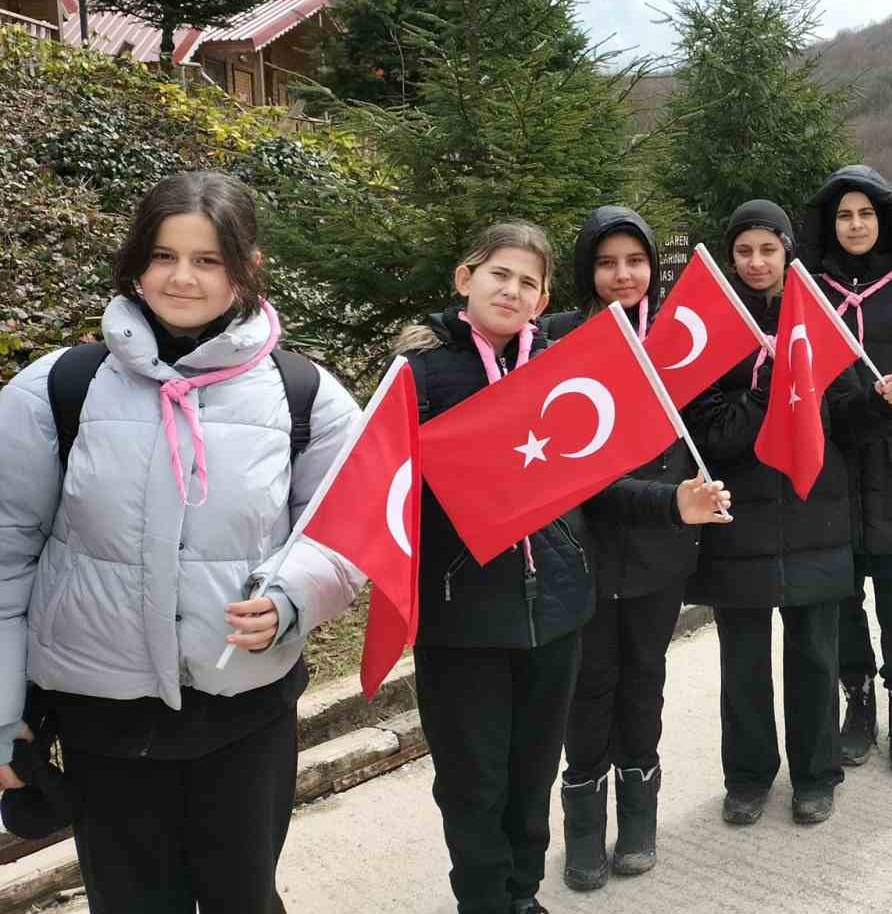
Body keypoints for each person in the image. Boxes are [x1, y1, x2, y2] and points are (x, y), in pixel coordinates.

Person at [0, 171, 365, 914]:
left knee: (244, 899)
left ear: (247, 266)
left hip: (245, 715)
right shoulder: (58, 389)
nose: (182, 277)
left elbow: (346, 533)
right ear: (137, 259)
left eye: (207, 259)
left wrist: (295, 598)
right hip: (105, 722)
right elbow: (6, 556)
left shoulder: (306, 396)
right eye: (164, 255)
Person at [397, 222, 729, 914]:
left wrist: (674, 504)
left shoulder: (556, 364)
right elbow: (387, 496)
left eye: (527, 282)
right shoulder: (420, 375)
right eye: (499, 275)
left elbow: (593, 482)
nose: (511, 291)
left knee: (530, 775)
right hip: (464, 618)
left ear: (544, 296)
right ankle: (484, 901)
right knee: (474, 783)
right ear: (466, 278)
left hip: (554, 608)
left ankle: (523, 895)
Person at [684, 201, 892, 829]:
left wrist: (880, 406)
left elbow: (841, 421)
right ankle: (749, 776)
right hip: (740, 523)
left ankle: (816, 773)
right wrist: (767, 389)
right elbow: (710, 430)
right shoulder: (713, 329)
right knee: (744, 666)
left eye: (769, 250)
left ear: (787, 253)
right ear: (732, 257)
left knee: (815, 656)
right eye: (745, 251)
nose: (757, 263)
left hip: (814, 513)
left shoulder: (817, 318)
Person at [544, 207, 704, 892]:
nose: (622, 275)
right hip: (584, 549)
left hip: (659, 545)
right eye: (607, 263)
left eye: (634, 262)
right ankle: (584, 820)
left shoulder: (675, 340)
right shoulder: (555, 339)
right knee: (590, 685)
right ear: (589, 270)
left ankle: (639, 814)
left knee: (644, 678)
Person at [798, 167, 892, 774]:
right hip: (837, 462)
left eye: (865, 214)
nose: (855, 225)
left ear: (883, 218)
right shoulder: (810, 291)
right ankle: (856, 701)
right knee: (843, 595)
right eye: (843, 216)